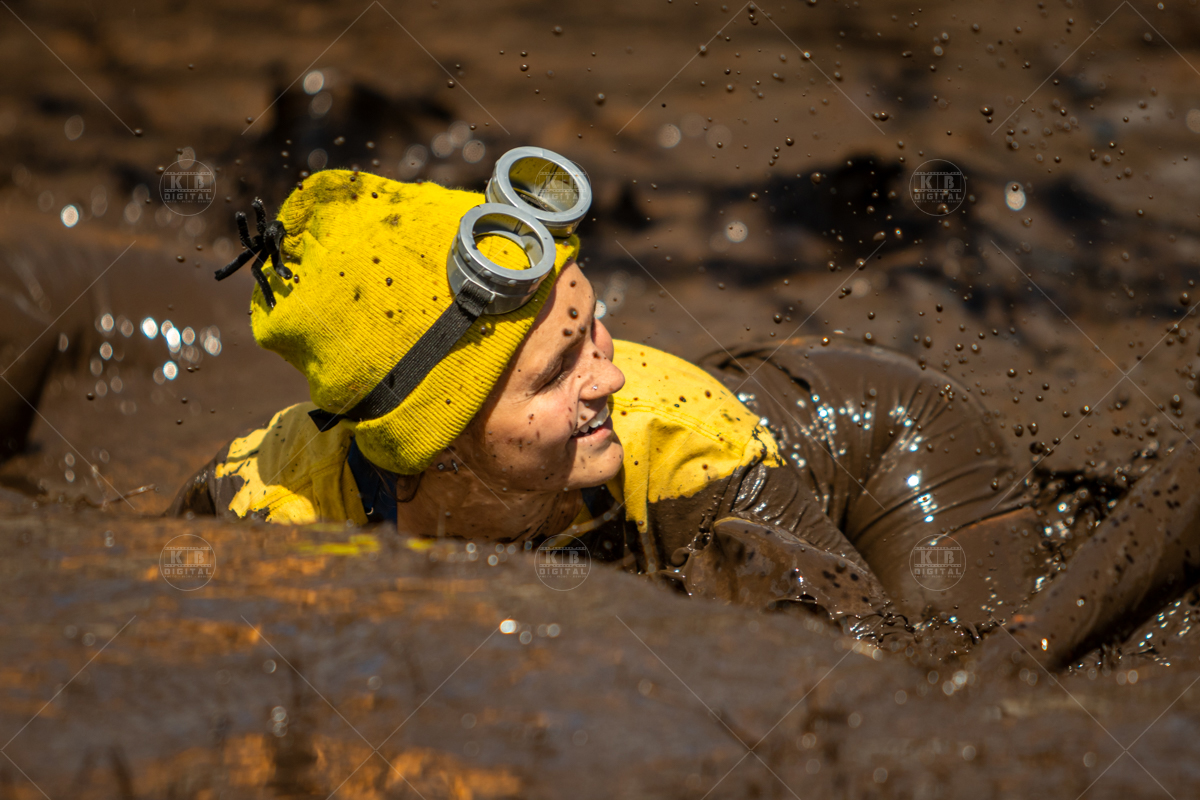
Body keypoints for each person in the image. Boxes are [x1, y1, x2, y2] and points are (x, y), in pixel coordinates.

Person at [171, 162, 1200, 670]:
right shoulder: (270, 506)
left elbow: (873, 690)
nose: (609, 377)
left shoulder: (690, 452)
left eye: (596, 329)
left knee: (965, 681)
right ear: (432, 445)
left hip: (886, 441)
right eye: (559, 369)